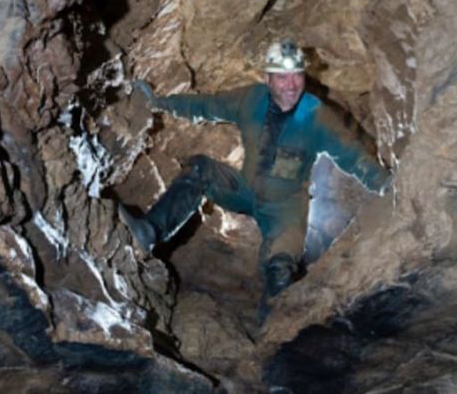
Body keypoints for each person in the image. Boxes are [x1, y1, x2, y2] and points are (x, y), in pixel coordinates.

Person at [119, 39, 391, 320]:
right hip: (244, 191)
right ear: (267, 79)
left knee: (280, 271)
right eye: (282, 76)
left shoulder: (317, 115)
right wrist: (158, 103)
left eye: (297, 74)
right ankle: (150, 231)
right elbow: (205, 105)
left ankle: (276, 333)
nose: (291, 84)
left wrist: (387, 185)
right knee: (200, 168)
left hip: (286, 211)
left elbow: (354, 157)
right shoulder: (251, 100)